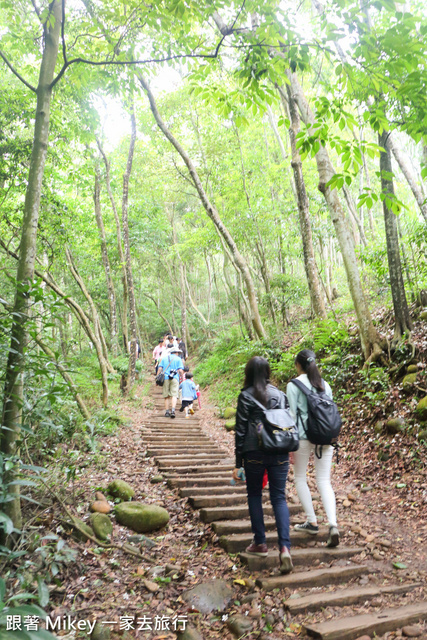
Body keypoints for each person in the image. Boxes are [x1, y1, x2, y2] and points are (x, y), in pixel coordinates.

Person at [234, 356, 293, 574]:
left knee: (255, 495)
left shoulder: (245, 396)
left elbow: (240, 430)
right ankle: (285, 547)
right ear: (268, 372)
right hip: (279, 450)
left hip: (254, 451)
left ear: (248, 373)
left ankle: (260, 542)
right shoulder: (280, 394)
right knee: (279, 497)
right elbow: (286, 422)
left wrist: (238, 463)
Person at [286, 349, 339, 548]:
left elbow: (291, 416)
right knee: (324, 480)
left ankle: (312, 521)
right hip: (326, 436)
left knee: (300, 477)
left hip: (303, 437)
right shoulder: (325, 384)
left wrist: (290, 444)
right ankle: (333, 524)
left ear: (298, 365)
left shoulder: (294, 385)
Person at [157, 346, 184, 418]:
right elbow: (181, 371)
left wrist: (157, 378)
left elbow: (160, 368)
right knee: (174, 395)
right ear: (176, 352)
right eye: (178, 352)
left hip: (165, 378)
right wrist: (182, 379)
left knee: (166, 396)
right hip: (175, 378)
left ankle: (166, 412)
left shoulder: (164, 358)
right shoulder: (178, 359)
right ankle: (173, 411)